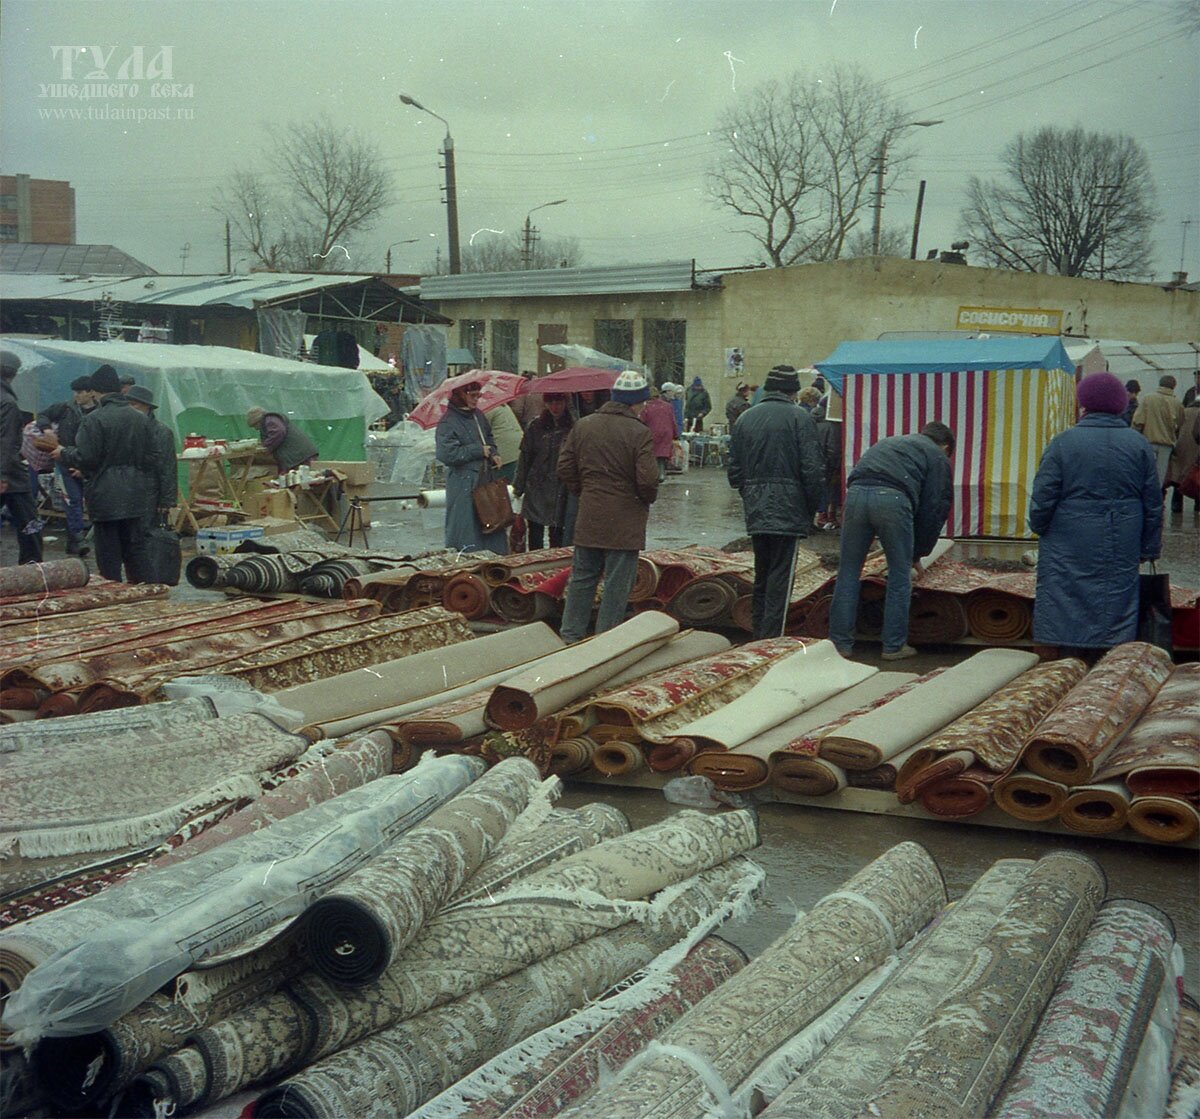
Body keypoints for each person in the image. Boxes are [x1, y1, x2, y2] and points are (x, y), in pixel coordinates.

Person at [1030, 371, 1162, 653]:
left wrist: (1039, 525)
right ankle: (1112, 655)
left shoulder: (1063, 442)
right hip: (1123, 531)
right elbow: (1153, 502)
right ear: (1120, 403)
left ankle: (1068, 656)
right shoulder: (1139, 445)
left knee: (1066, 591)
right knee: (1116, 593)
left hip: (1069, 533)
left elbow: (1044, 493)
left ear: (1083, 403)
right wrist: (1149, 546)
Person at [828, 421, 955, 659]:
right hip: (892, 500)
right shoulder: (937, 457)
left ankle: (840, 645)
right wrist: (917, 554)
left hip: (855, 497)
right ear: (946, 446)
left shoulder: (890, 441)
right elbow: (934, 510)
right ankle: (893, 646)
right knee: (899, 575)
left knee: (848, 572)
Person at [557, 369, 659, 642]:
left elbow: (565, 466)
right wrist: (644, 498)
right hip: (625, 520)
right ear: (635, 402)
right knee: (617, 584)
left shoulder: (584, 425)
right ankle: (605, 640)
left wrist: (585, 491)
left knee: (582, 577)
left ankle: (570, 634)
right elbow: (648, 479)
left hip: (590, 513)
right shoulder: (639, 432)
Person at [727, 364, 824, 638]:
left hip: (757, 505)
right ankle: (770, 639)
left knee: (763, 572)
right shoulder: (799, 418)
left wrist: (749, 491)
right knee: (781, 577)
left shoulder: (746, 417)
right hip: (790, 506)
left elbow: (733, 469)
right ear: (793, 392)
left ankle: (758, 633)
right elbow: (812, 470)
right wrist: (810, 508)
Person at [52, 365, 158, 582]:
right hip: (136, 493)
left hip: (105, 494)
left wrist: (63, 452)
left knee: (109, 554)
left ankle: (113, 598)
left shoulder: (94, 419)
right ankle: (146, 595)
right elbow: (152, 458)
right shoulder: (140, 419)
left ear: (97, 392)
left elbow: (86, 458)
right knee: (136, 550)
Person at [435, 380, 509, 554]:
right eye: (472, 395)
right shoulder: (447, 422)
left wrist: (494, 453)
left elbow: (489, 437)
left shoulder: (478, 416)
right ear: (460, 395)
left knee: (492, 523)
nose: (476, 399)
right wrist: (477, 450)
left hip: (485, 479)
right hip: (463, 484)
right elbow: (446, 454)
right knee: (466, 529)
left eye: (478, 395)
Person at [36, 374, 96, 554]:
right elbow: (43, 415)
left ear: (91, 393)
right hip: (64, 460)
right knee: (72, 500)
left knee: (91, 501)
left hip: (87, 463)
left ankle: (77, 539)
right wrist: (47, 430)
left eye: (80, 392)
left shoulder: (99, 412)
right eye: (75, 392)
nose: (77, 396)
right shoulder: (65, 408)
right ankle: (76, 538)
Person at [0, 350, 43, 564]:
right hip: (11, 476)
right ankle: (32, 565)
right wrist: (4, 475)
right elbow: (7, 442)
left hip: (6, 472)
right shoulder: (7, 402)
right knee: (29, 522)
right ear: (13, 375)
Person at [514, 392, 572, 549]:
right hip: (537, 485)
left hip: (562, 487)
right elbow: (525, 458)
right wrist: (518, 487)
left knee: (557, 532)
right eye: (550, 402)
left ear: (565, 403)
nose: (554, 407)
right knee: (535, 532)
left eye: (558, 402)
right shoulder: (535, 426)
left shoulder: (573, 426)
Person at [126, 385, 179, 524]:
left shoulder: (161, 432)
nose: (130, 408)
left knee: (148, 534)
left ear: (147, 407)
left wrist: (166, 501)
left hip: (150, 492)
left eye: (134, 404)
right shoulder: (124, 428)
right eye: (128, 405)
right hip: (126, 491)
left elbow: (168, 468)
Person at [1131, 374, 1185, 487]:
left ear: (1159, 384)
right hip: (1166, 446)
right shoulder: (1178, 404)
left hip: (1148, 442)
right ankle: (1156, 500)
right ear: (1174, 386)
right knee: (1159, 479)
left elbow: (1138, 421)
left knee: (1145, 474)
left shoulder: (1148, 398)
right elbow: (1180, 424)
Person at [245, 407, 319, 473]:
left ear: (258, 421)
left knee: (307, 482)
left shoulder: (270, 420)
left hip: (300, 457)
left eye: (255, 425)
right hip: (301, 456)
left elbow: (278, 432)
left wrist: (266, 447)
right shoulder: (271, 420)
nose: (256, 429)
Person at [813, 396, 844, 531]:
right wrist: (836, 464)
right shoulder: (832, 425)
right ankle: (828, 516)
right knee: (831, 490)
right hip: (827, 462)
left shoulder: (810, 420)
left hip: (814, 461)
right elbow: (833, 448)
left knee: (818, 489)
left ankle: (820, 516)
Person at [640, 387, 679, 482]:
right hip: (666, 433)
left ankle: (655, 474)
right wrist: (675, 433)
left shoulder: (646, 407)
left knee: (652, 454)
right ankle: (661, 473)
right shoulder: (667, 406)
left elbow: (642, 421)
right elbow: (673, 420)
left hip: (652, 432)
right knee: (662, 455)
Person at [485, 403, 523, 483]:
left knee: (501, 485)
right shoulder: (503, 406)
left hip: (504, 451)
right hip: (519, 447)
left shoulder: (488, 409)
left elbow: (480, 430)